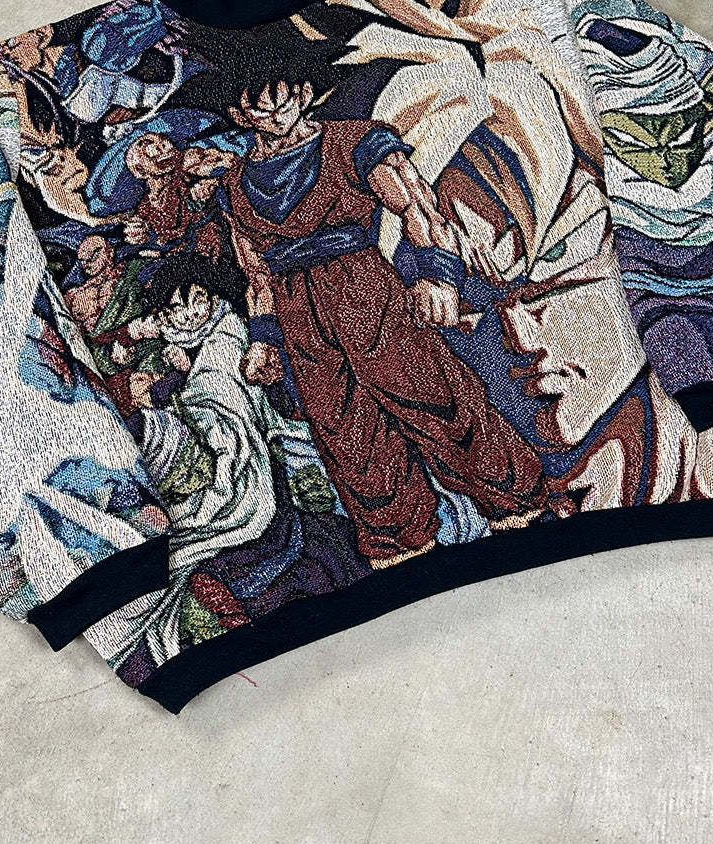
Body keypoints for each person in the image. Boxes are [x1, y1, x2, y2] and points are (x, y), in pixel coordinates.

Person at [213, 45, 547, 568]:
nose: (276, 116)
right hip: (300, 318)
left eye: (286, 100)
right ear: (241, 114)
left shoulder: (354, 141)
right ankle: (403, 551)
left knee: (435, 401)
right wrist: (262, 340)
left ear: (304, 94)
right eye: (261, 108)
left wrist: (436, 275)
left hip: (366, 291)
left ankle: (518, 509)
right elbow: (256, 273)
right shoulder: (234, 186)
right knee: (348, 437)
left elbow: (418, 207)